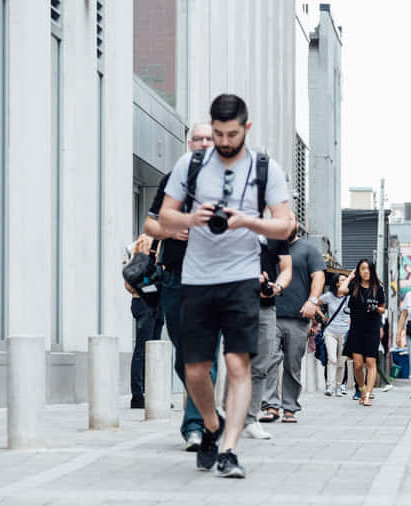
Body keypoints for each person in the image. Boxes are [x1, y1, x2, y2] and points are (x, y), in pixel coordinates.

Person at [159, 94, 292, 477]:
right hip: (197, 278)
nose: (223, 141)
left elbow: (285, 225)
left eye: (231, 134)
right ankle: (212, 426)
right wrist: (191, 218)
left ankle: (229, 450)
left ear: (246, 129)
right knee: (195, 370)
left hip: (241, 277)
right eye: (217, 133)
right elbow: (164, 216)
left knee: (238, 364)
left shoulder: (266, 168)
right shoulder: (192, 163)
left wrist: (247, 222)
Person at [144, 122, 216, 450]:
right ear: (190, 144)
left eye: (208, 139)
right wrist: (170, 231)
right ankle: (202, 410)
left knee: (204, 355)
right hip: (174, 277)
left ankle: (195, 426)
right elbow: (149, 224)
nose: (202, 143)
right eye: (197, 138)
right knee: (184, 355)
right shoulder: (173, 180)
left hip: (212, 279)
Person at [265, 221, 326, 422]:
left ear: (296, 225)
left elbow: (318, 277)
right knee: (269, 361)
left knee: (293, 364)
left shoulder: (309, 250)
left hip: (298, 317)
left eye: (290, 220)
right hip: (270, 313)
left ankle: (289, 407)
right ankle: (271, 406)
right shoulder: (269, 247)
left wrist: (312, 300)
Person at [239, 230, 292, 440]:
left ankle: (251, 420)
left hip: (266, 307)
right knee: (237, 362)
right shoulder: (234, 226)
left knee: (261, 365)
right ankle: (228, 416)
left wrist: (276, 286)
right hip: (237, 303)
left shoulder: (275, 233)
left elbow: (286, 268)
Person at [124, 234, 164, 410]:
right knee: (144, 349)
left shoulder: (161, 241)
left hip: (153, 300)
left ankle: (151, 394)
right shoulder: (146, 241)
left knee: (153, 350)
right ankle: (138, 396)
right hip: (145, 299)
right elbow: (138, 273)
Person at [339, 259, 386, 406]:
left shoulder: (378, 288)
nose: (365, 271)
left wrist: (376, 309)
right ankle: (362, 389)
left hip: (372, 328)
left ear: (372, 271)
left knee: (371, 362)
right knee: (358, 365)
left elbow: (383, 308)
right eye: (362, 269)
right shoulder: (354, 286)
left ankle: (368, 396)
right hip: (356, 329)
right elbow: (341, 291)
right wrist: (350, 277)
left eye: (368, 269)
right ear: (358, 271)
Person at [319, 273, 350, 397]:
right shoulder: (329, 296)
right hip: (330, 331)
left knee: (342, 362)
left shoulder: (349, 298)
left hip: (345, 332)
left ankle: (338, 386)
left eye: (346, 280)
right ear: (337, 283)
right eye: (342, 280)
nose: (345, 282)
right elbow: (315, 302)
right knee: (332, 359)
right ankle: (330, 386)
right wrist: (323, 316)